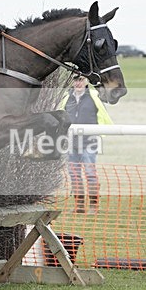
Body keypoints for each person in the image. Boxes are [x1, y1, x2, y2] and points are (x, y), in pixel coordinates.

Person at [63, 75, 112, 213]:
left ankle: (93, 206)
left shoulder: (94, 97)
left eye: (81, 79)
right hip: (71, 143)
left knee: (90, 173)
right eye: (76, 79)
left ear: (86, 81)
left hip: (89, 142)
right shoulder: (67, 98)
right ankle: (79, 206)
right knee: (74, 174)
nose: (78, 82)